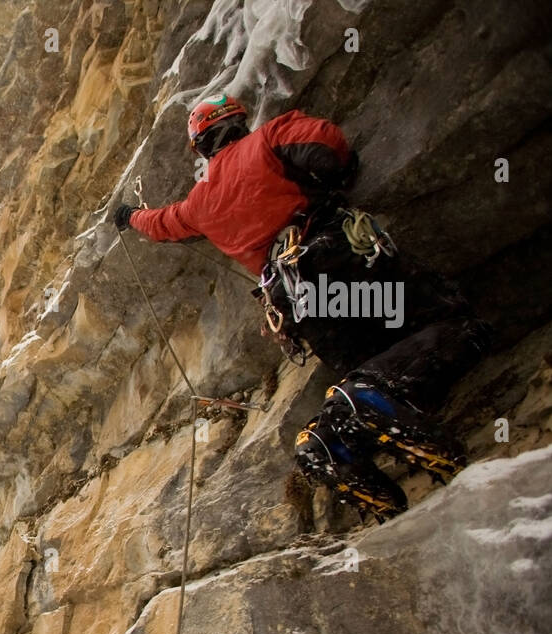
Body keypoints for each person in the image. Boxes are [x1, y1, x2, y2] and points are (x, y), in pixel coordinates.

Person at [112, 93, 492, 520]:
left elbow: (163, 223)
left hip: (301, 307)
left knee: (379, 366)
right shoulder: (267, 140)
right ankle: (364, 399)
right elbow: (327, 144)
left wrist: (129, 216)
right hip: (338, 263)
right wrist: (337, 177)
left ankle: (328, 445)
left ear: (201, 146)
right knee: (454, 325)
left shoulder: (200, 204)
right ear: (238, 122)